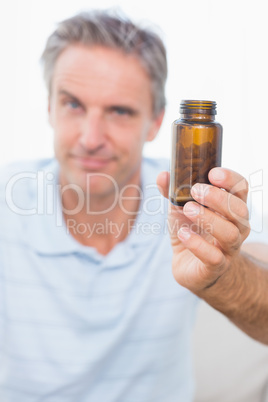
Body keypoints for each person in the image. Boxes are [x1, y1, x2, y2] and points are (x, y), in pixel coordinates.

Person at [0, 9, 267, 402]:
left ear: (157, 122)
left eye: (119, 111)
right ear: (49, 107)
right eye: (73, 104)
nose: (91, 138)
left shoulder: (192, 201)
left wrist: (222, 276)